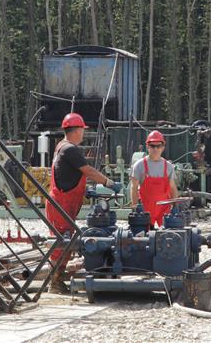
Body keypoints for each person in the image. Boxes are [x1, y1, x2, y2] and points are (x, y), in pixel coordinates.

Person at [46, 112, 122, 293]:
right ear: (77, 130)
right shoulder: (70, 149)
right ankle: (54, 283)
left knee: (64, 241)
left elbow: (67, 175)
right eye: (82, 130)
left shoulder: (61, 147)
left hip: (62, 203)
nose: (83, 134)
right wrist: (109, 183)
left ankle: (58, 279)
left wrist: (83, 190)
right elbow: (87, 170)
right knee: (61, 244)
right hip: (61, 205)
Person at [130, 130, 179, 227]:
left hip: (164, 209)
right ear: (147, 146)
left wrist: (175, 206)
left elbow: (173, 187)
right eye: (152, 146)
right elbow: (134, 187)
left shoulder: (168, 166)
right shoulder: (139, 165)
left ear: (163, 147)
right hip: (146, 209)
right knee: (144, 237)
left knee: (168, 236)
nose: (155, 149)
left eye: (158, 146)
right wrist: (134, 207)